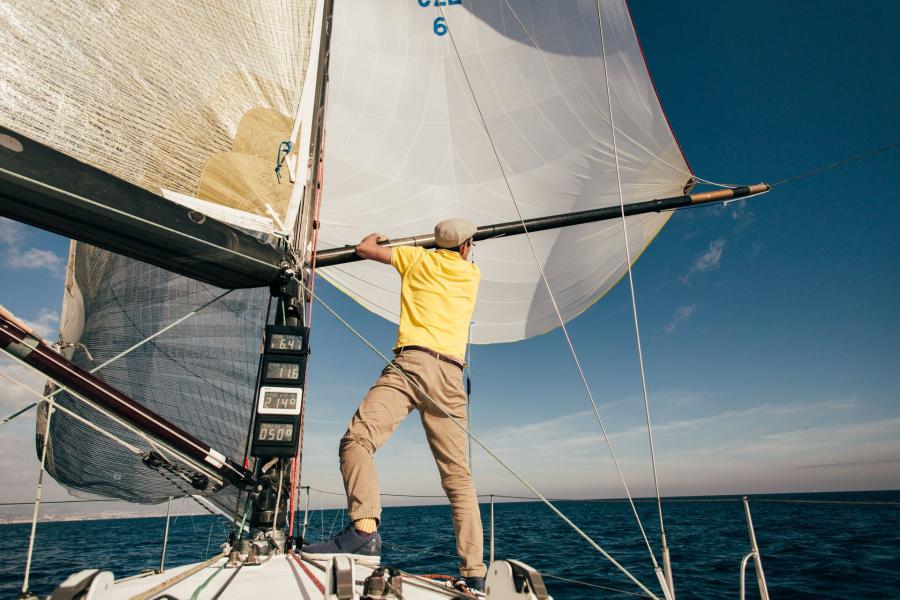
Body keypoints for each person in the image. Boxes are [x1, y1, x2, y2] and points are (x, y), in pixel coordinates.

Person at [302, 218, 487, 592]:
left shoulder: (415, 259)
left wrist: (376, 240)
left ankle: (364, 532)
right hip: (450, 377)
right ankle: (475, 573)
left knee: (356, 442)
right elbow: (456, 254)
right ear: (466, 248)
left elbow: (365, 248)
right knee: (458, 479)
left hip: (411, 365)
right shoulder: (472, 275)